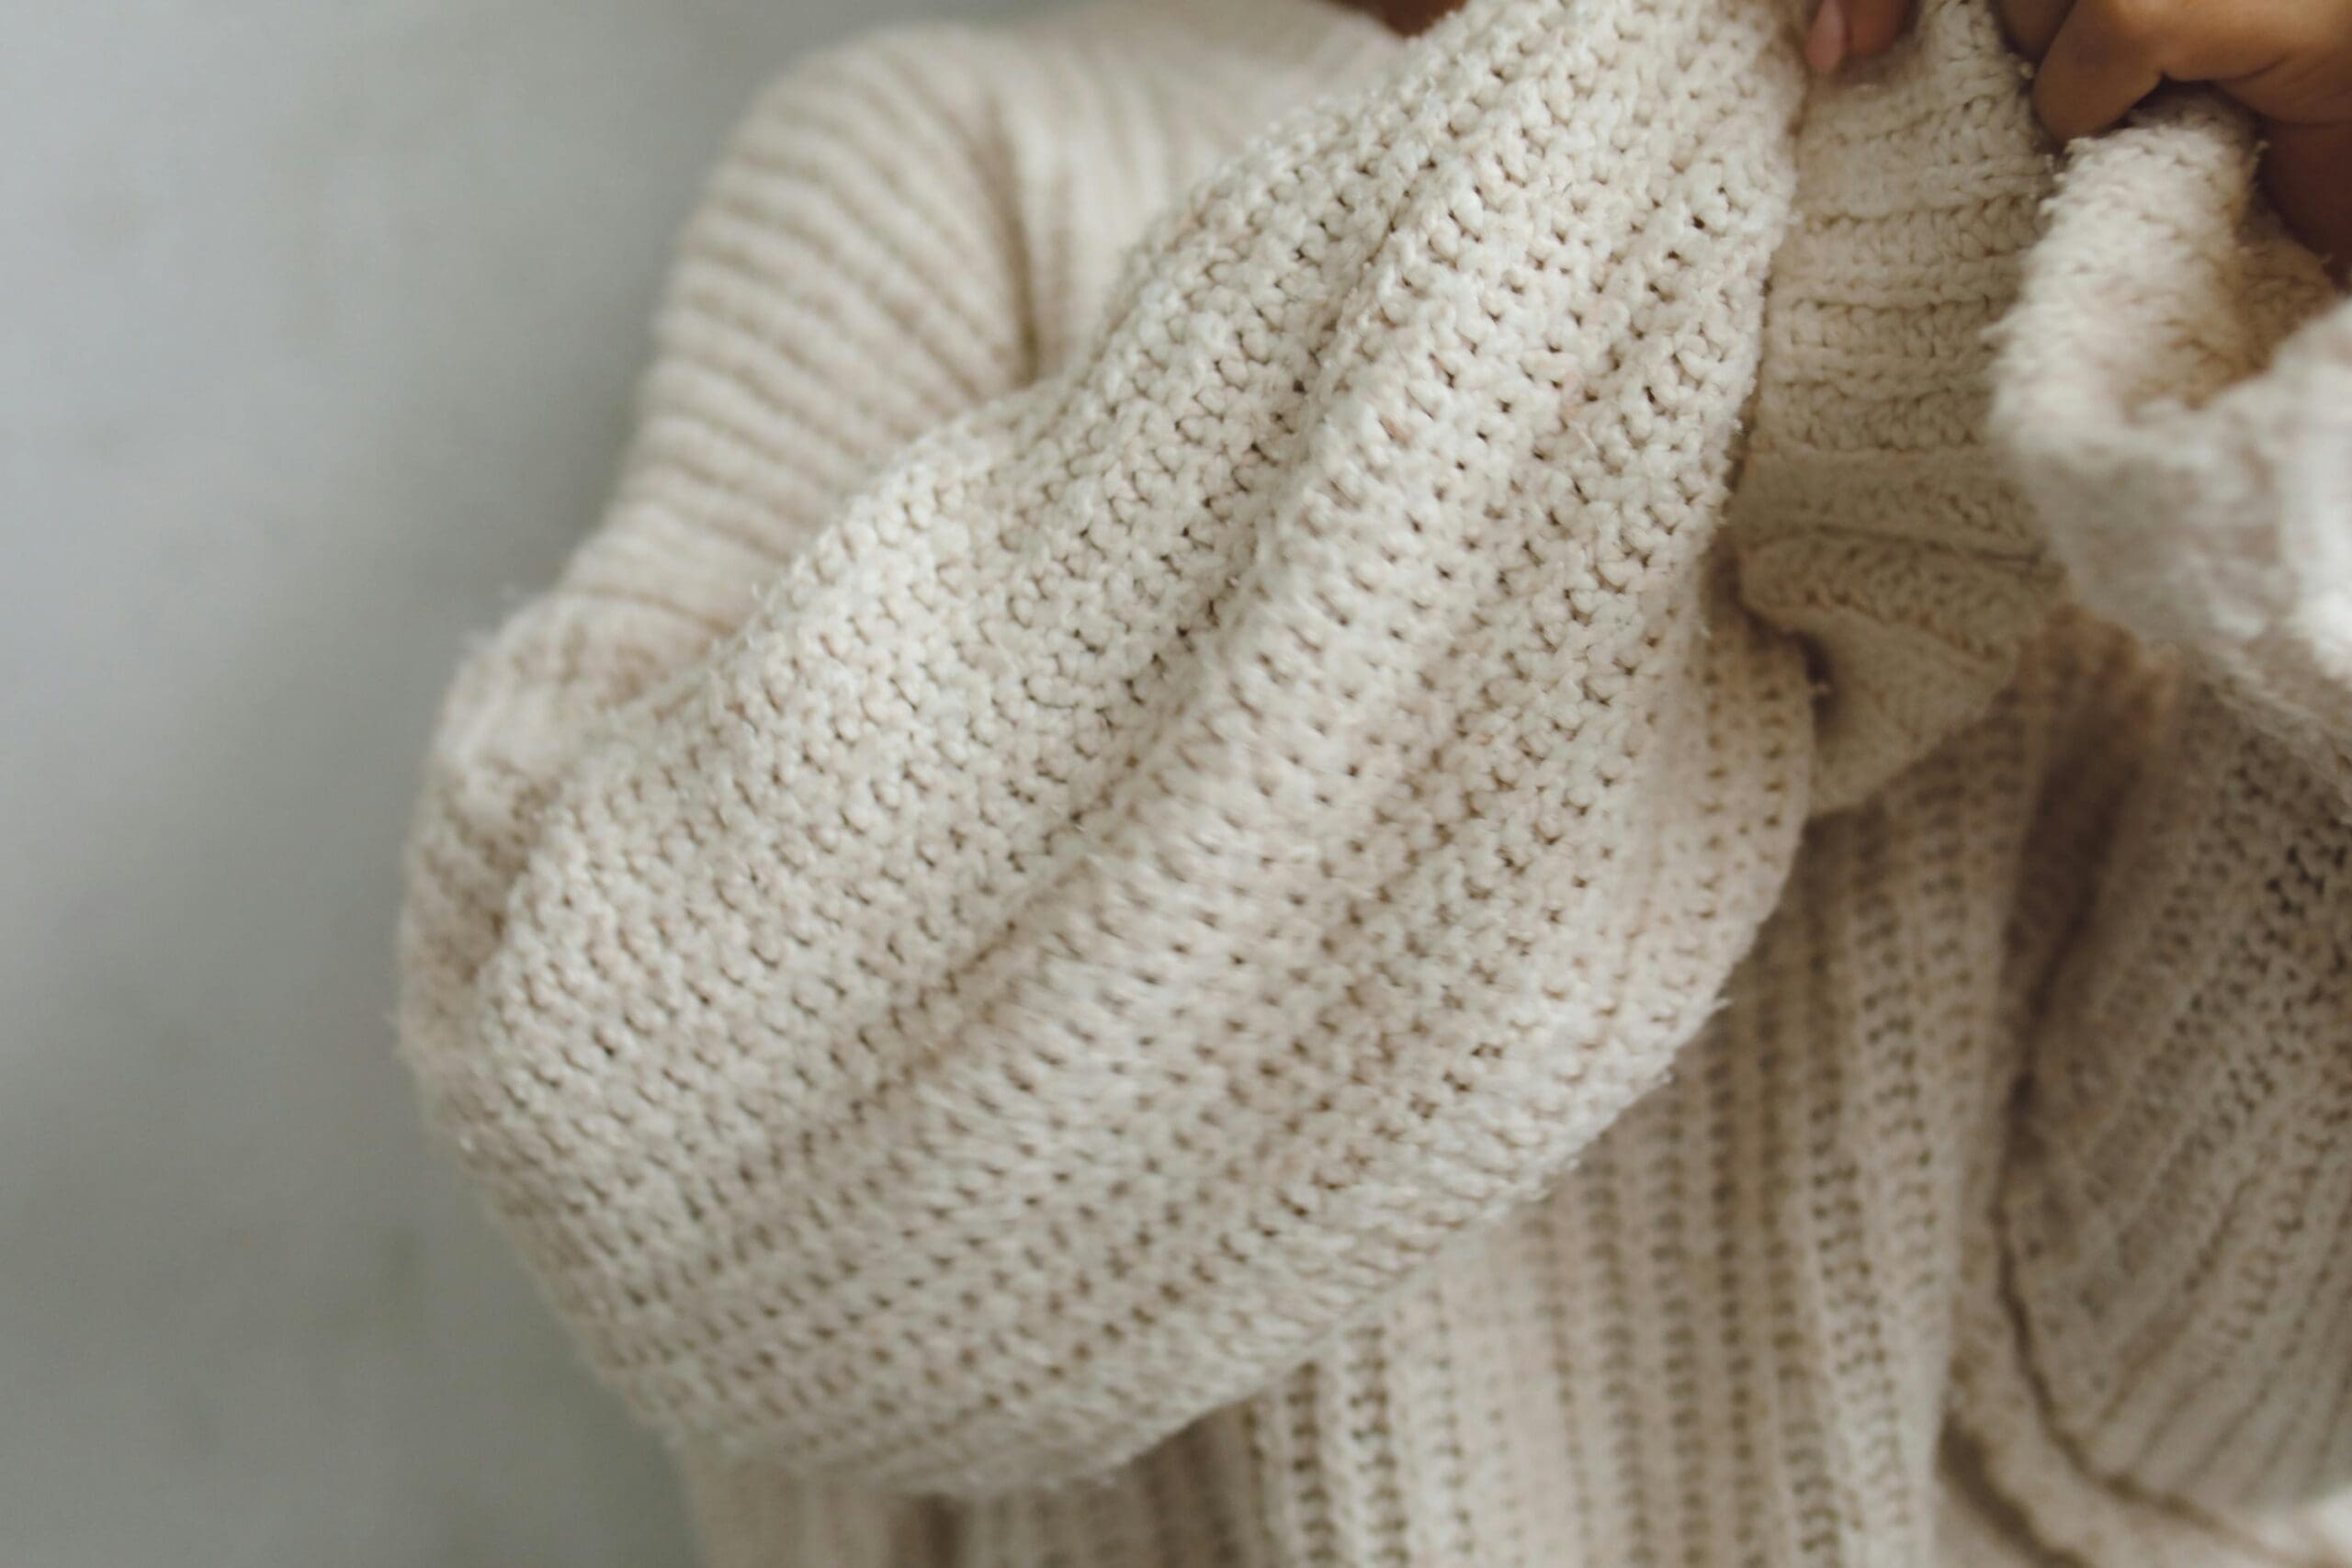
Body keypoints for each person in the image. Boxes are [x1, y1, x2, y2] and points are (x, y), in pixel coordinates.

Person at [395, 0, 2352, 1563]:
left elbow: (2199, 1408)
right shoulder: (962, 157)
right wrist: (1625, 135)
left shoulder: (2143, 196)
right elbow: (718, 1199)